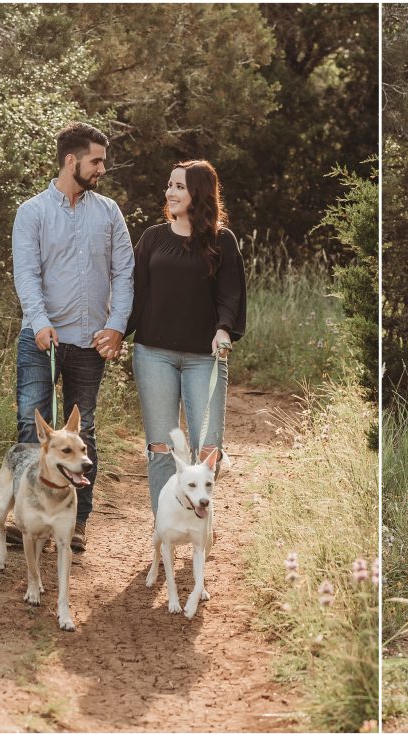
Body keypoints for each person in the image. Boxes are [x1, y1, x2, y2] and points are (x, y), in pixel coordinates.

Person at [11, 121, 135, 553]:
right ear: (72, 160)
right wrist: (40, 320)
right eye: (96, 160)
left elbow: (124, 273)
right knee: (33, 425)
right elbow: (26, 274)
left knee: (87, 432)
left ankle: (77, 520)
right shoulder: (32, 212)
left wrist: (117, 324)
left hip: (89, 342)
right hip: (40, 338)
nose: (102, 167)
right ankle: (29, 515)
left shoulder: (109, 213)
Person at [124, 160, 246, 516]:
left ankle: (198, 518)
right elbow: (135, 294)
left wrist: (224, 329)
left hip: (204, 359)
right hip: (153, 354)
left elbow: (231, 294)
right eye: (169, 185)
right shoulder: (153, 238)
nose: (170, 192)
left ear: (199, 192)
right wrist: (115, 333)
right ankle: (165, 524)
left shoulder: (222, 240)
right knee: (162, 447)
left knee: (208, 448)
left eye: (179, 186)